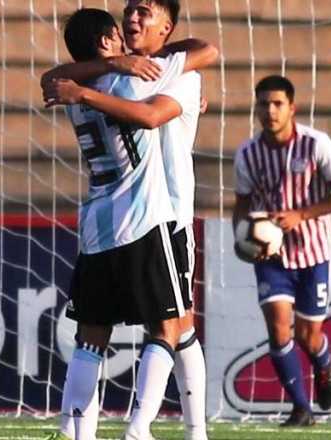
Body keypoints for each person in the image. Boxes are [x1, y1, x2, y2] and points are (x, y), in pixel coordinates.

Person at [39, 5, 214, 439]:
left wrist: (87, 82)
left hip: (100, 224)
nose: (131, 23)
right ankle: (139, 429)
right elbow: (163, 102)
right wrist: (118, 66)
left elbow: (52, 78)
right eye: (124, 21)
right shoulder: (144, 78)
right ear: (107, 42)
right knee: (171, 325)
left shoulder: (79, 83)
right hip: (151, 216)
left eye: (143, 13)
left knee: (95, 337)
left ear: (166, 26)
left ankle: (82, 432)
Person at [231, 75, 331, 427]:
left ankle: (324, 365)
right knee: (278, 328)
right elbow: (241, 205)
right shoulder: (248, 154)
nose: (270, 111)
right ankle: (301, 407)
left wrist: (301, 215)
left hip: (315, 250)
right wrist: (242, 238)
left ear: (292, 108)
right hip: (272, 256)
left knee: (308, 335)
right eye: (264, 104)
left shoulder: (316, 145)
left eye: (277, 104)